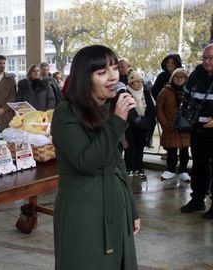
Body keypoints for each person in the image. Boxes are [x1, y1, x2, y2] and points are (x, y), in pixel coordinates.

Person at [51, 45, 139, 269]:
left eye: (114, 68)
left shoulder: (109, 107)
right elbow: (85, 162)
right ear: (84, 79)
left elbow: (118, 161)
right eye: (102, 73)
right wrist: (118, 121)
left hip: (116, 203)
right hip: (84, 209)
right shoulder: (66, 112)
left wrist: (132, 208)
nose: (113, 76)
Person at [180, 44, 213, 219]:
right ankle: (197, 199)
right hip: (197, 129)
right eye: (205, 58)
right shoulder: (197, 74)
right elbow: (186, 95)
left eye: (211, 58)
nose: (207, 62)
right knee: (199, 166)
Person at [156, 68, 191, 181]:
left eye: (182, 77)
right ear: (173, 78)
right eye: (177, 77)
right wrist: (164, 122)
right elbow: (159, 108)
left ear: (186, 79)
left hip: (185, 126)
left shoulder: (189, 91)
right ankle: (170, 169)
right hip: (170, 125)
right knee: (171, 149)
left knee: (184, 149)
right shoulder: (165, 91)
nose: (179, 79)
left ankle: (183, 170)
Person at [123, 71, 156, 179]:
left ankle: (138, 168)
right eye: (136, 81)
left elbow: (151, 108)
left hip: (143, 125)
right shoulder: (125, 93)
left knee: (140, 147)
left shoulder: (146, 92)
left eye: (141, 81)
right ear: (131, 83)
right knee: (129, 147)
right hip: (129, 126)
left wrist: (148, 122)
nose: (140, 84)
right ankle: (129, 168)